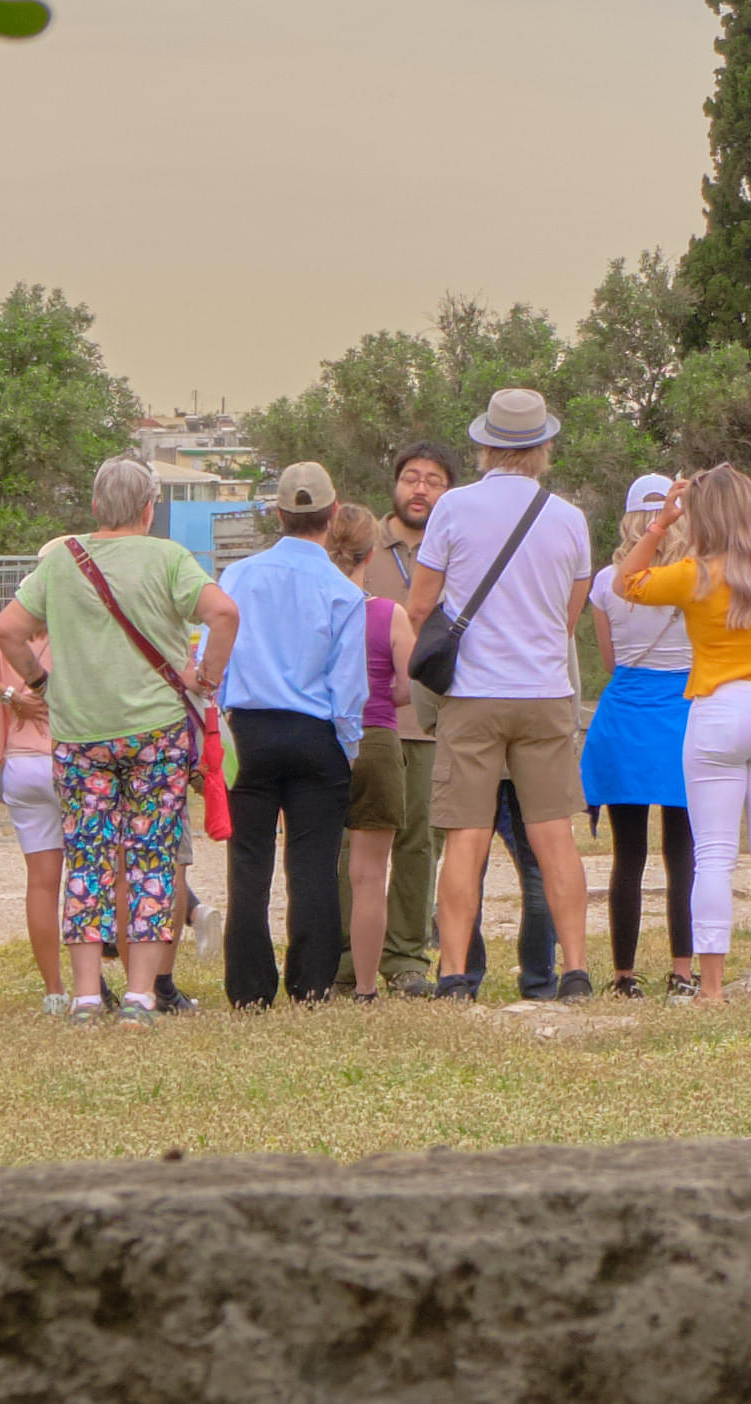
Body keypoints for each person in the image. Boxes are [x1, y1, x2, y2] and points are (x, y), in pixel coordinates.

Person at [0, 452, 238, 1019]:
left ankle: (82, 995)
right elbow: (224, 614)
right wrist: (206, 678)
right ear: (150, 509)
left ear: (96, 506)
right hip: (156, 731)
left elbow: (7, 631)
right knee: (150, 858)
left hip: (79, 733)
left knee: (88, 858)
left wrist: (40, 681)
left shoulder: (62, 561)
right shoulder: (170, 560)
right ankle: (141, 994)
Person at [411, 387, 604, 1002]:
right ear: (544, 446)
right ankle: (573, 969)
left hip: (472, 692)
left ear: (484, 446)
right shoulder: (569, 518)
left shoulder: (453, 509)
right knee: (553, 838)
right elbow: (569, 616)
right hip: (544, 692)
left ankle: (453, 974)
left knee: (465, 840)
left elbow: (420, 606)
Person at [615, 463, 751, 999]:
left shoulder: (694, 572)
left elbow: (627, 583)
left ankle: (709, 986)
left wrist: (661, 523)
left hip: (716, 706)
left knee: (713, 854)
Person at [212, 461, 375, 1004]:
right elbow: (348, 684)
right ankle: (310, 982)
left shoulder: (237, 577)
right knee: (313, 865)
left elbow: (219, 658)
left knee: (249, 864)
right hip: (315, 733)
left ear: (278, 515)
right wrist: (346, 747)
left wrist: (219, 725)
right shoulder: (343, 591)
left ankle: (250, 988)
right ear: (332, 515)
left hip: (251, 729)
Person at [580, 470, 705, 994]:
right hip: (682, 713)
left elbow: (610, 660)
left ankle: (624, 975)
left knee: (627, 856)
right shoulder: (696, 576)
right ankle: (682, 971)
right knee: (684, 855)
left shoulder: (607, 584)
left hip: (626, 714)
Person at [327, 477, 431, 992]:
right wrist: (383, 697)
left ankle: (322, 969)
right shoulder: (385, 613)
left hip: (320, 739)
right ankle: (367, 983)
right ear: (370, 554)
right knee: (372, 872)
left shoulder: (313, 612)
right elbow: (414, 682)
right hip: (377, 737)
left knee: (318, 862)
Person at [0, 631, 69, 993]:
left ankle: (54, 990)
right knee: (94, 872)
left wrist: (9, 694)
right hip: (68, 756)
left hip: (20, 763)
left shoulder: (4, 632)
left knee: (41, 886)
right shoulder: (72, 618)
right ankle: (94, 982)